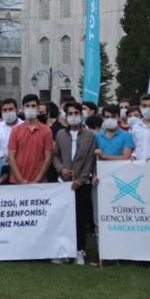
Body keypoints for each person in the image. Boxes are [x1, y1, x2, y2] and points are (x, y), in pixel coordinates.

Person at [52, 101, 98, 265]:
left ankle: (79, 250)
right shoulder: (60, 135)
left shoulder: (90, 135)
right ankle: (64, 250)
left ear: (81, 114)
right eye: (70, 113)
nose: (73, 116)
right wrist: (61, 169)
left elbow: (90, 159)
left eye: (76, 113)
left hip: (82, 183)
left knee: (80, 219)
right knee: (63, 218)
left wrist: (81, 179)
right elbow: (55, 155)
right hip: (63, 183)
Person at [9, 94, 54, 184]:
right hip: (17, 182)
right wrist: (20, 179)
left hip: (39, 182)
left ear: (38, 108)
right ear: (23, 108)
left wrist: (37, 180)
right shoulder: (15, 130)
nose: (30, 108)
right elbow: (11, 156)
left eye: (33, 106)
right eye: (27, 106)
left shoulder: (46, 131)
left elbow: (48, 157)